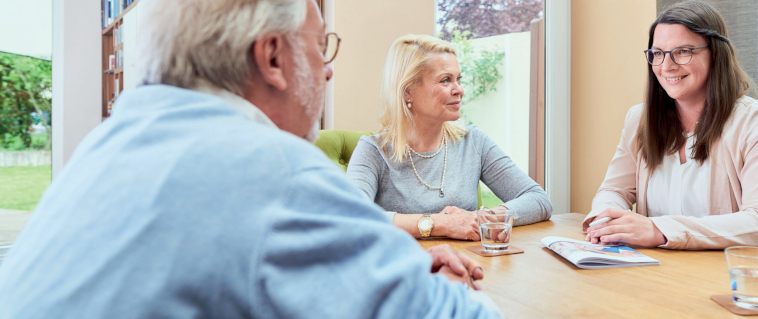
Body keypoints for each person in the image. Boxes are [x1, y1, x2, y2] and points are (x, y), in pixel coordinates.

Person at [0, 0, 503, 318]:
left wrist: (386, 272)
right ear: (272, 58)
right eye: (319, 46)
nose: (327, 72)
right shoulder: (270, 166)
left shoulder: (105, 147)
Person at [582, 1, 758, 260]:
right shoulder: (639, 119)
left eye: (683, 51)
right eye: (658, 53)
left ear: (716, 54)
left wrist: (659, 230)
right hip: (679, 273)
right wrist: (607, 218)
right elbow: (614, 191)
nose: (667, 66)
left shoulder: (756, 122)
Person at [346, 34, 552, 241]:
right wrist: (439, 223)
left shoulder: (473, 142)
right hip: (403, 268)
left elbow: (538, 200)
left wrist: (483, 217)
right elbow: (350, 218)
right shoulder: (373, 151)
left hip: (467, 267)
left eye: (458, 79)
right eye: (446, 80)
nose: (459, 90)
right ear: (408, 91)